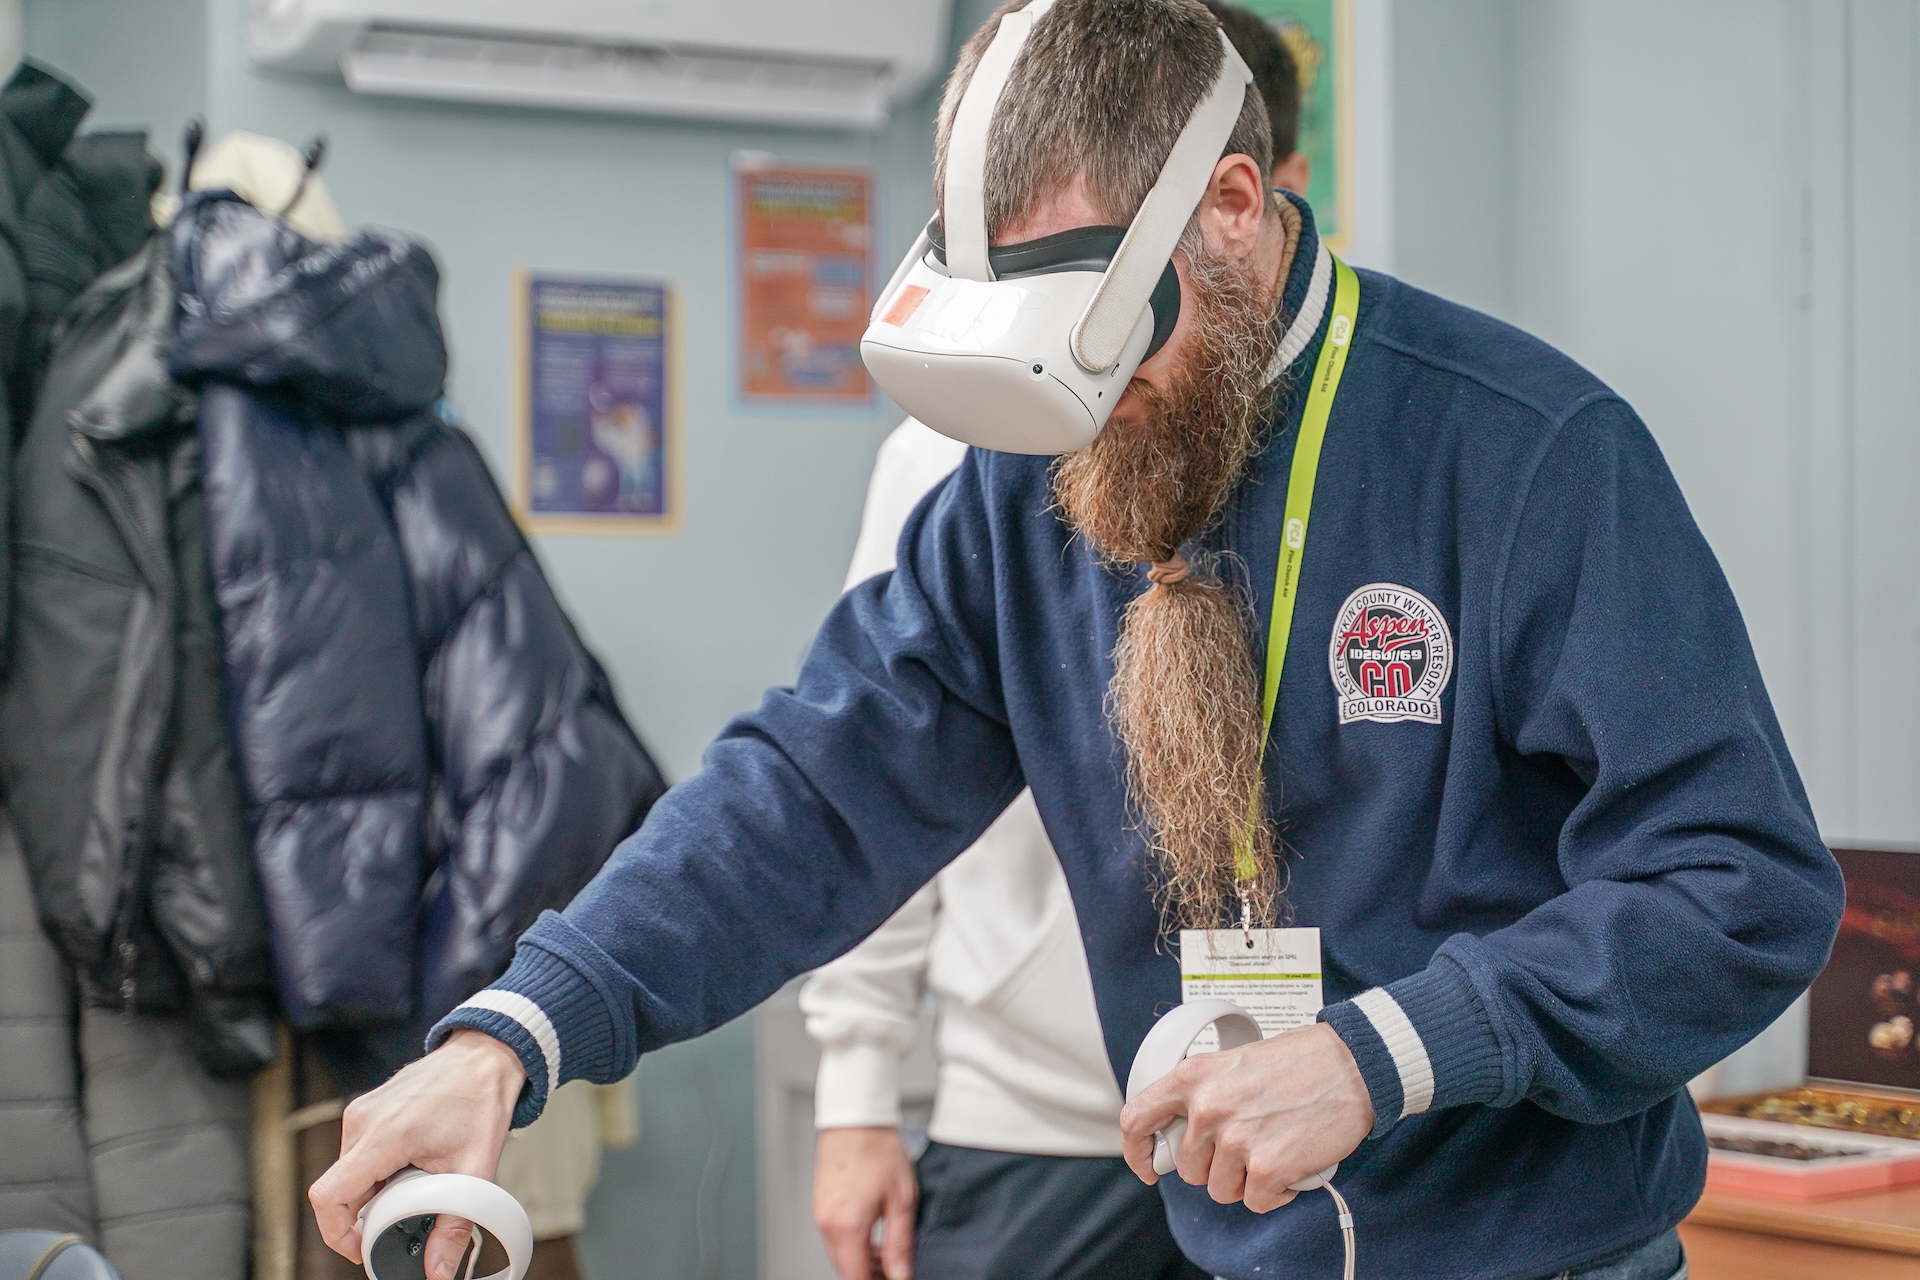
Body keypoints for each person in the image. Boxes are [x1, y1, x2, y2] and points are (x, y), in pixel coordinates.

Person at [312, 3, 1843, 1279]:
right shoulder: (1029, 483)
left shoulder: (1529, 454)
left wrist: (1392, 1052)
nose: (1075, 413)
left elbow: (1741, 886)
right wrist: (517, 1034)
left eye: (1101, 342)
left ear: (1234, 206)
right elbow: (809, 788)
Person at [806, 11, 1308, 1279]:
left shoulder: (1349, 430)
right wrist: (857, 1087)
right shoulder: (957, 447)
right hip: (1030, 1117)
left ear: (1257, 200)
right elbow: (858, 763)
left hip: (1295, 1120)